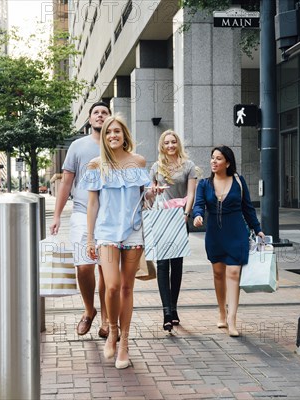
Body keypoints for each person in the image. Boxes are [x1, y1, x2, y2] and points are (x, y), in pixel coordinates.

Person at [80, 114, 150, 369]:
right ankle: (112, 329)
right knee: (111, 286)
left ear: (124, 135)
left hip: (133, 232)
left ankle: (125, 343)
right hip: (107, 233)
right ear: (104, 136)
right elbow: (92, 203)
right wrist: (90, 237)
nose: (112, 136)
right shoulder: (95, 165)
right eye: (109, 132)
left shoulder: (138, 162)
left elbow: (145, 199)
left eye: (117, 131)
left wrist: (152, 192)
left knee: (127, 288)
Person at [50, 101, 112, 338]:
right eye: (96, 112)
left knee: (106, 271)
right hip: (80, 213)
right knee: (84, 267)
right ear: (89, 119)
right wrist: (56, 215)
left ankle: (107, 321)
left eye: (104, 112)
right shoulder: (77, 146)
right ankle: (89, 311)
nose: (99, 115)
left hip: (109, 217)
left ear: (109, 118)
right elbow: (66, 183)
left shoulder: (116, 143)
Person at [192, 145, 265, 337]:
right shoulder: (204, 184)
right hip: (215, 235)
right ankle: (221, 312)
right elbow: (198, 204)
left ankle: (232, 319)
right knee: (218, 274)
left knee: (233, 273)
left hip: (236, 234)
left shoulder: (238, 181)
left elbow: (248, 208)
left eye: (218, 159)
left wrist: (257, 229)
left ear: (228, 162)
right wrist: (197, 216)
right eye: (212, 158)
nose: (213, 162)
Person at [149, 130, 198, 332]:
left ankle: (174, 308)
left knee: (176, 265)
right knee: (162, 265)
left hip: (179, 218)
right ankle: (166, 312)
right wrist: (154, 192)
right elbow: (150, 195)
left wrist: (186, 215)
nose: (170, 145)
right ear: (162, 146)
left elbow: (191, 192)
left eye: (173, 142)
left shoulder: (189, 166)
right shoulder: (156, 167)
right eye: (166, 142)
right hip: (161, 217)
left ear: (178, 144)